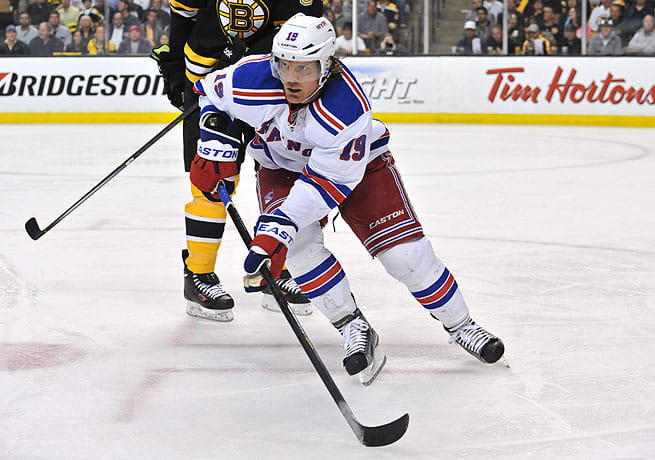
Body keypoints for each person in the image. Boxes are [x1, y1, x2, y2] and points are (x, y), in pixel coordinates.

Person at [191, 13, 506, 384]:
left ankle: (462, 325)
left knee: (406, 257)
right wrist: (216, 143)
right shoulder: (250, 78)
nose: (291, 78)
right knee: (299, 250)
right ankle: (352, 326)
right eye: (284, 65)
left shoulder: (346, 107)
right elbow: (209, 95)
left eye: (304, 68)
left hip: (358, 167)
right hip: (281, 165)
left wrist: (279, 226)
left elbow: (327, 183)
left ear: (326, 66)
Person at [151, 0, 322, 322]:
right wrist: (174, 67)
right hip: (207, 84)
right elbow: (183, 16)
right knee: (212, 179)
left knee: (279, 175)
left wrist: (250, 58)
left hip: (269, 88)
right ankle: (198, 274)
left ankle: (278, 268)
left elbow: (305, 36)